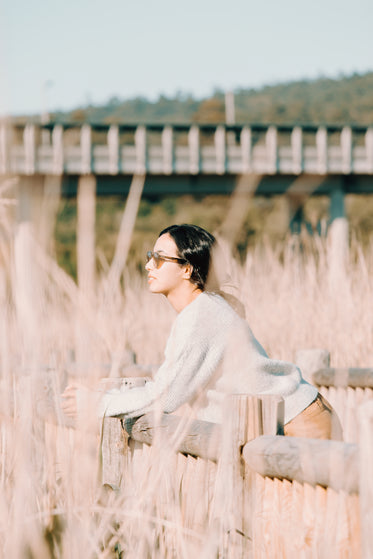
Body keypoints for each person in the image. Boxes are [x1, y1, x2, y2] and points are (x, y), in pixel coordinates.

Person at [62, 224, 342, 440]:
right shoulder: (199, 312)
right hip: (281, 421)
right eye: (150, 257)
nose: (149, 265)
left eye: (159, 259)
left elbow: (167, 397)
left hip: (300, 422)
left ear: (187, 269)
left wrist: (96, 403)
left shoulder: (203, 315)